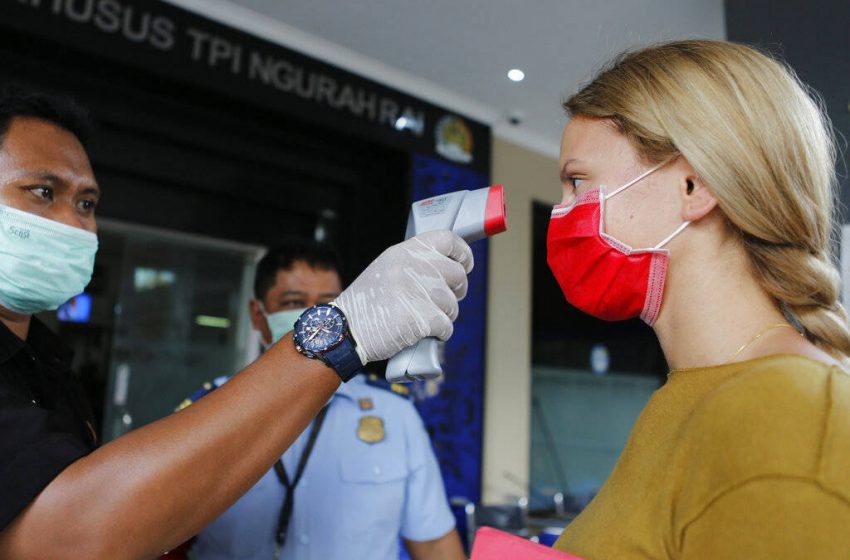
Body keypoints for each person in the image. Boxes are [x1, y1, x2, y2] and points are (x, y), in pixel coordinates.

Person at [0, 87, 474, 560]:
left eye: (86, 204)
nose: (75, 223)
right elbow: (68, 536)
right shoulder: (209, 409)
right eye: (43, 193)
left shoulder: (52, 372)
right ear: (258, 314)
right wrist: (342, 332)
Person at [546, 40, 850, 558]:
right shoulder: (691, 394)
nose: (561, 211)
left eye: (578, 182)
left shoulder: (787, 415)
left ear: (694, 187)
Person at [183, 240, 464, 560]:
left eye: (329, 305)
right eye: (294, 302)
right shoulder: (209, 412)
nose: (314, 318)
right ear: (258, 316)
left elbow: (435, 547)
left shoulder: (395, 416)